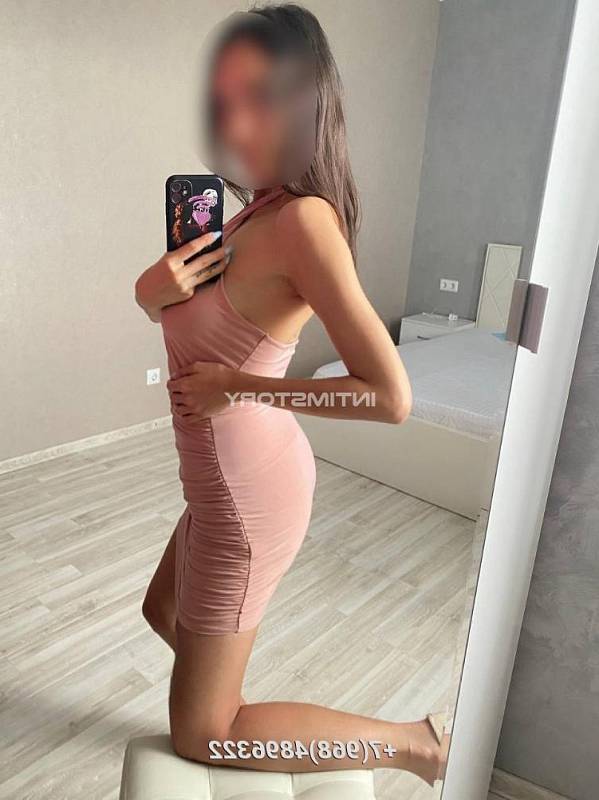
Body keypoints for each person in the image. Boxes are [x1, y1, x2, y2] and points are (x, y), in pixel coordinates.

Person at [134, 3, 447, 786]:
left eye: (260, 97)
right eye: (224, 99)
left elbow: (389, 397)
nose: (235, 121)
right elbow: (201, 332)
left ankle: (412, 744)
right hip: (216, 480)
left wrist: (238, 387)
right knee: (161, 612)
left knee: (203, 736)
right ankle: (229, 696)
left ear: (305, 105)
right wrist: (149, 295)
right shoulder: (249, 215)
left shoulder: (305, 222)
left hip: (249, 494)